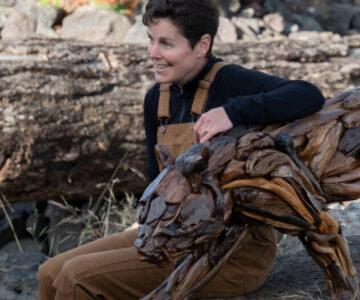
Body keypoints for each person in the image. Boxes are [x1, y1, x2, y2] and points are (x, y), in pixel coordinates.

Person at [37, 0, 325, 299]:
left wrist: (233, 111)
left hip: (231, 252)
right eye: (151, 40)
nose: (153, 53)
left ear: (202, 45)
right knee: (50, 272)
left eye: (166, 43)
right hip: (173, 235)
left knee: (77, 278)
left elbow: (308, 95)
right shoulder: (156, 100)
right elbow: (155, 180)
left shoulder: (230, 82)